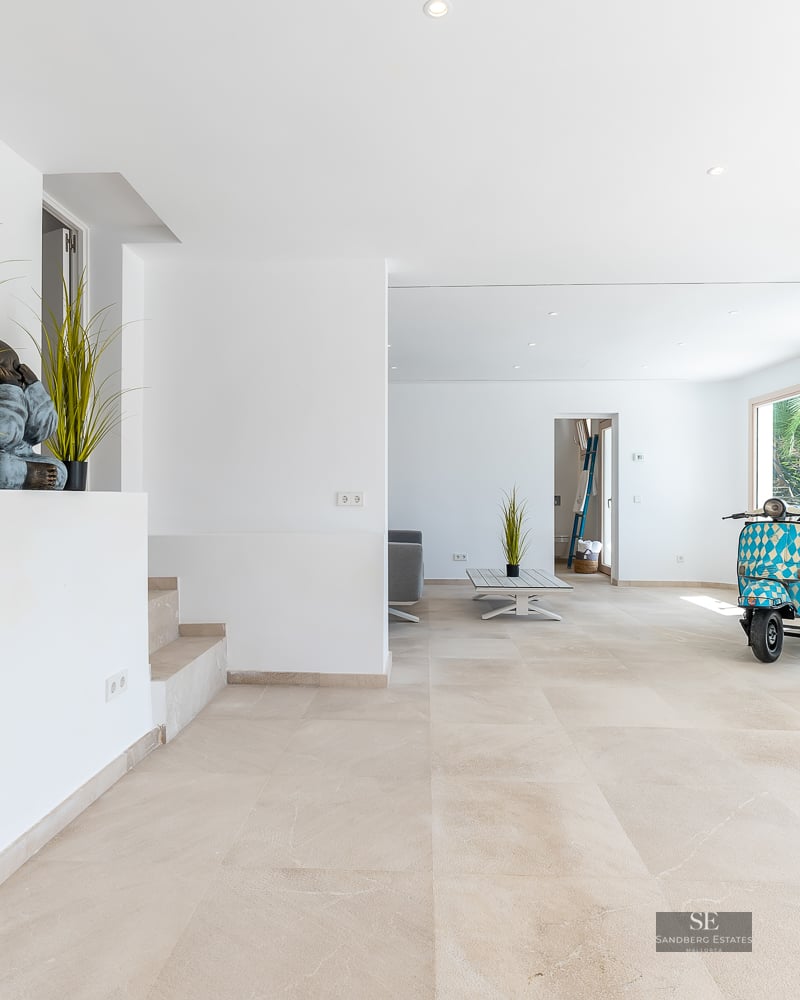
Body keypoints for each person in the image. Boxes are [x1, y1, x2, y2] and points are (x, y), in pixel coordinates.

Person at [0, 340, 67, 490]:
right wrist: (9, 390)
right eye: (5, 368)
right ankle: (26, 475)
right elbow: (6, 437)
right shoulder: (11, 392)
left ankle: (26, 472)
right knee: (3, 467)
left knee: (58, 469)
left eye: (16, 367)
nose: (15, 374)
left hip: (21, 456)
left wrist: (34, 387)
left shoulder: (17, 391)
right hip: (4, 460)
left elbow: (40, 433)